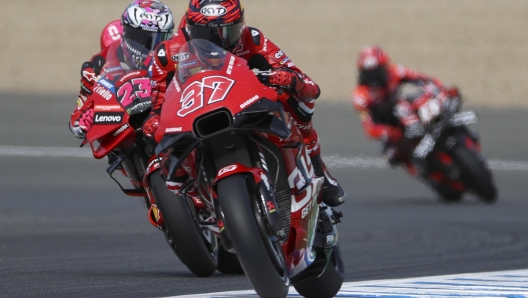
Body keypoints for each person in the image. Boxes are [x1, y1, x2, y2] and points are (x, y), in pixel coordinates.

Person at [141, 0, 345, 207]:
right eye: (206, 35)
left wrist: (290, 79)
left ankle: (319, 170)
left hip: (243, 103)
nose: (218, 41)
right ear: (189, 29)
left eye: (227, 32)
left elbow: (310, 85)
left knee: (300, 101)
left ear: (241, 25)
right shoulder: (167, 54)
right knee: (163, 148)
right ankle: (192, 201)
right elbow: (158, 100)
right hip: (196, 113)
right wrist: (154, 118)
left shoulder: (252, 39)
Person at [69, 0, 174, 139]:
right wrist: (87, 118)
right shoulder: (97, 66)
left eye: (159, 39)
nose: (149, 47)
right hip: (123, 137)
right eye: (141, 39)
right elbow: (76, 120)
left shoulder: (169, 59)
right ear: (125, 33)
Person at [351, 45, 459, 173]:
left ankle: (450, 131)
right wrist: (389, 132)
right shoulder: (360, 96)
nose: (373, 78)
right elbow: (369, 127)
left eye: (376, 72)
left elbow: (423, 78)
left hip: (405, 111)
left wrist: (440, 88)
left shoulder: (396, 71)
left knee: (433, 103)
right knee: (393, 156)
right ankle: (421, 170)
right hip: (387, 126)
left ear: (384, 67)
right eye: (368, 73)